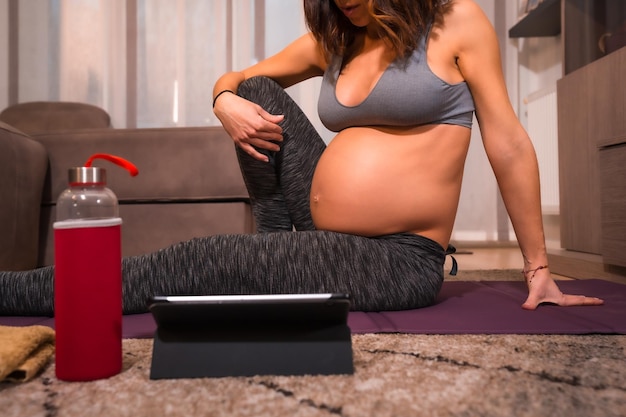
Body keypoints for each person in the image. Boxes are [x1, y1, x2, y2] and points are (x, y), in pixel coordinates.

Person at [0, 0, 603, 316]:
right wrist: (222, 99)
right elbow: (240, 78)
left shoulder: (456, 23)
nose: (343, 1)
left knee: (205, 262)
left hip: (397, 257)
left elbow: (508, 142)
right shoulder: (334, 38)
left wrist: (538, 270)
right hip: (313, 225)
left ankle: (17, 293)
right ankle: (275, 245)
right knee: (257, 92)